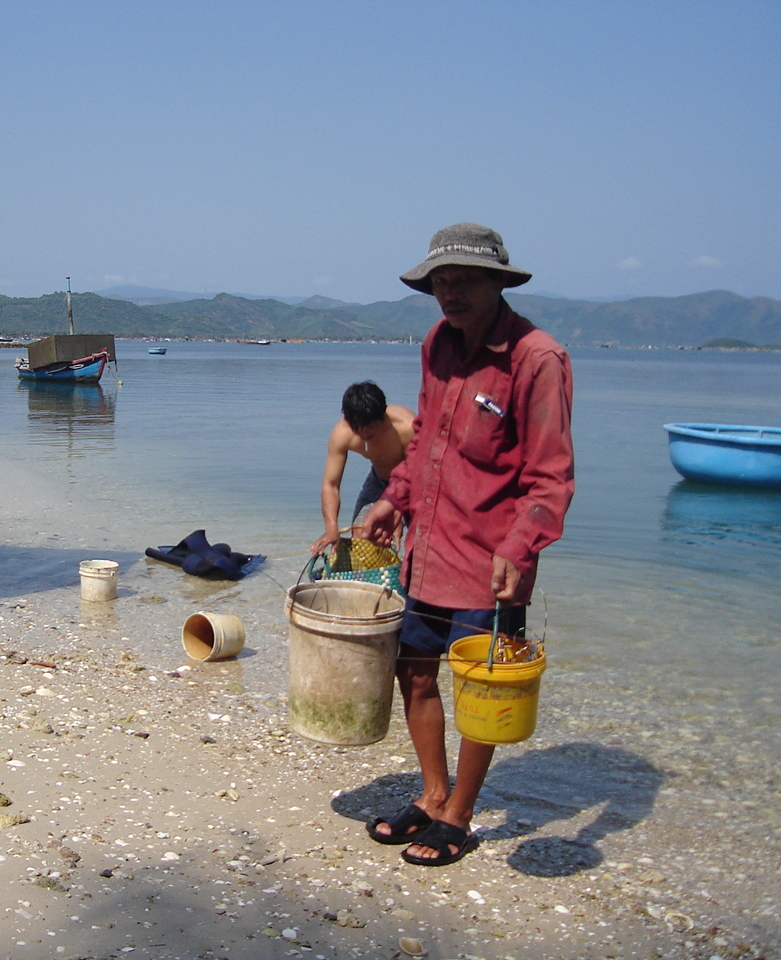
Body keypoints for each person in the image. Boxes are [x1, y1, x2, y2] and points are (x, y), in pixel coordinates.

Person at [359, 223, 575, 867]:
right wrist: (393, 498)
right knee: (414, 670)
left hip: (492, 561)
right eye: (439, 282)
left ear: (499, 282)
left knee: (480, 689)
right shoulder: (437, 344)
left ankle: (460, 814)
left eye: (463, 280)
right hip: (428, 547)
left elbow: (551, 475)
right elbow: (425, 438)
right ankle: (432, 794)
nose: (448, 293)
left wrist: (522, 543)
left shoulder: (538, 359)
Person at [310, 382, 415, 555]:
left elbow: (418, 473)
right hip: (379, 480)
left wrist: (398, 510)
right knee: (362, 533)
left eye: (371, 430)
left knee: (422, 541)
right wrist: (331, 528)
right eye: (358, 430)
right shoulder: (342, 434)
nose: (364, 434)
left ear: (383, 414)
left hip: (415, 482)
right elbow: (330, 485)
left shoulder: (406, 427)